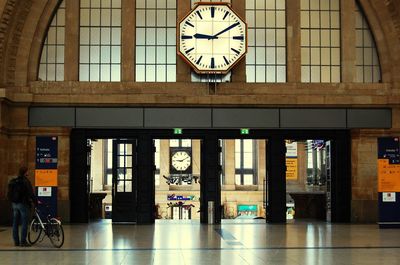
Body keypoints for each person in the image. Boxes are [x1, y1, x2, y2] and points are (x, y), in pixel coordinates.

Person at [7, 166, 37, 247]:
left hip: (14, 204)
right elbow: (30, 193)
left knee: (15, 223)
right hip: (23, 204)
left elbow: (9, 193)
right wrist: (36, 202)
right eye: (27, 171)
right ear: (25, 172)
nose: (28, 172)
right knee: (24, 223)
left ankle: (16, 242)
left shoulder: (14, 181)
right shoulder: (25, 181)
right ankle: (23, 241)